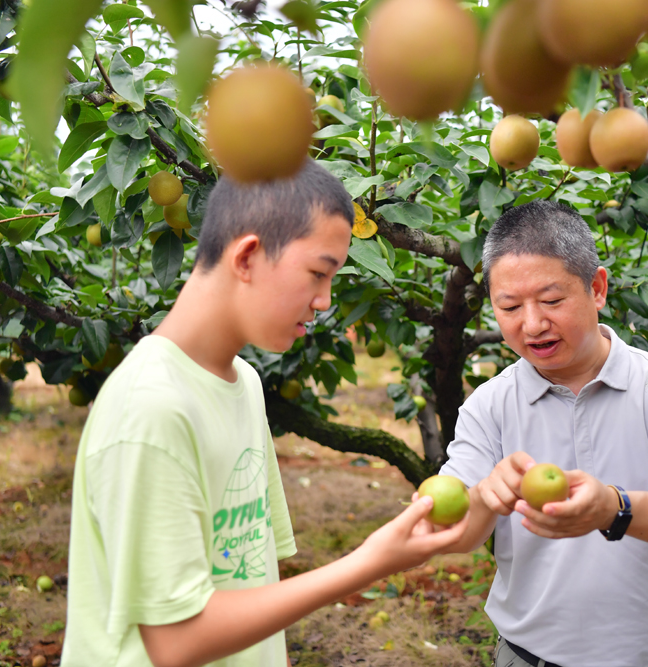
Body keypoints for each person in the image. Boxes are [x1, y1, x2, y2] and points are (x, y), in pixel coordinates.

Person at [60, 160, 468, 667]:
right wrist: (369, 563)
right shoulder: (151, 409)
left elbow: (250, 574)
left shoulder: (243, 383)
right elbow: (176, 641)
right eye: (319, 273)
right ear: (248, 256)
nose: (324, 302)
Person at [437, 200, 648, 667]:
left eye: (552, 301)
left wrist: (614, 508)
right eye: (509, 306)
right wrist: (485, 498)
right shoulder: (488, 406)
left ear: (597, 288)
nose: (532, 324)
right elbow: (460, 534)